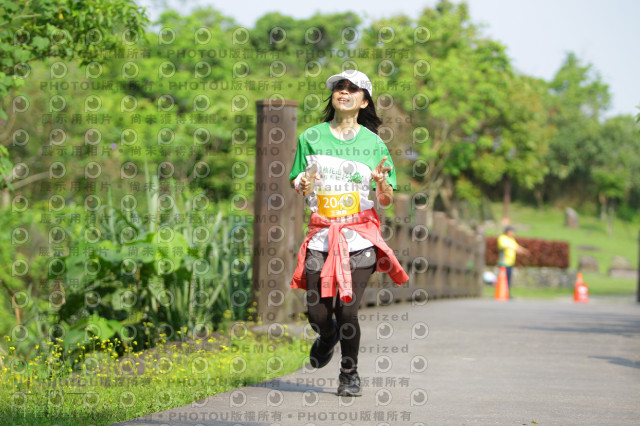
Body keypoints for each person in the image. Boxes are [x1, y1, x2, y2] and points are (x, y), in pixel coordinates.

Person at [288, 70, 409, 397]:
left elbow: (385, 197)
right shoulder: (310, 137)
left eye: (353, 88)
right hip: (321, 235)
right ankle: (326, 337)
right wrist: (303, 183)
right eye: (339, 87)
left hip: (359, 236)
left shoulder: (374, 144)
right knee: (317, 311)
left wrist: (382, 183)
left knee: (348, 309)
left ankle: (349, 374)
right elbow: (297, 181)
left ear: (364, 100)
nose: (344, 92)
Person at [497, 226, 530, 294]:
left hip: (510, 263)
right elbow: (507, 246)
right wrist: (515, 248)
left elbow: (517, 247)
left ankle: (507, 293)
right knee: (503, 279)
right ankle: (502, 293)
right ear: (508, 232)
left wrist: (524, 251)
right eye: (512, 232)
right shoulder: (502, 238)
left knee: (508, 279)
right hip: (504, 262)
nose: (513, 233)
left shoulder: (511, 239)